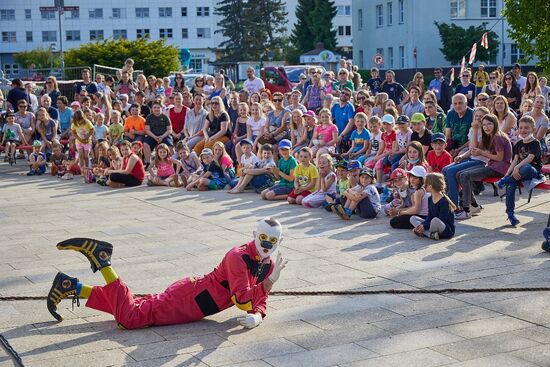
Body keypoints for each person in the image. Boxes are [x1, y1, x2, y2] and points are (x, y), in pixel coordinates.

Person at [47, 218, 288, 330]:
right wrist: (269, 283)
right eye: (263, 238)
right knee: (130, 318)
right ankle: (103, 261)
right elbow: (242, 299)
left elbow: (257, 301)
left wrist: (258, 316)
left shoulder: (266, 263)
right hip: (192, 299)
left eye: (273, 240)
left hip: (194, 298)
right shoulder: (239, 256)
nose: (267, 244)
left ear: (280, 241)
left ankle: (71, 286)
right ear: (254, 234)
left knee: (136, 306)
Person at [454, 113, 512, 219]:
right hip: (492, 165)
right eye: (484, 125)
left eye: (489, 124)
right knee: (459, 174)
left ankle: (466, 209)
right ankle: (474, 206)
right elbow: (474, 148)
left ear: (495, 124)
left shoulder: (498, 137)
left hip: (500, 169)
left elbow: (499, 158)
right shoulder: (488, 136)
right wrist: (462, 156)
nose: (486, 127)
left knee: (464, 176)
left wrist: (481, 152)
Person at [497, 116, 543, 226]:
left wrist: (517, 168)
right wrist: (507, 174)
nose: (523, 130)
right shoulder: (518, 143)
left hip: (532, 172)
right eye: (521, 128)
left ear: (533, 129)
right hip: (519, 173)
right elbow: (514, 161)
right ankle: (511, 214)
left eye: (526, 128)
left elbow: (529, 159)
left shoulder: (535, 143)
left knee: (526, 167)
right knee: (511, 186)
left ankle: (506, 180)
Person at [411, 173, 456, 239]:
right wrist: (423, 225)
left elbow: (442, 220)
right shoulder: (430, 198)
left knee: (434, 220)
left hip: (445, 230)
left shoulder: (444, 201)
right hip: (432, 225)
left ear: (430, 186)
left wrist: (425, 226)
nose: (423, 186)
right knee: (413, 218)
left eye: (425, 184)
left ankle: (426, 233)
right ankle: (431, 234)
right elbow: (429, 216)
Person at [71, 110, 94, 174]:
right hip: (79, 141)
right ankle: (82, 169)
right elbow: (73, 132)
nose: (80, 122)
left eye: (80, 120)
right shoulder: (74, 124)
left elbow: (92, 129)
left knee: (86, 156)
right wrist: (79, 139)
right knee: (80, 155)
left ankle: (87, 168)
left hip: (87, 141)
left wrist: (87, 137)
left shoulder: (87, 122)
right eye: (78, 121)